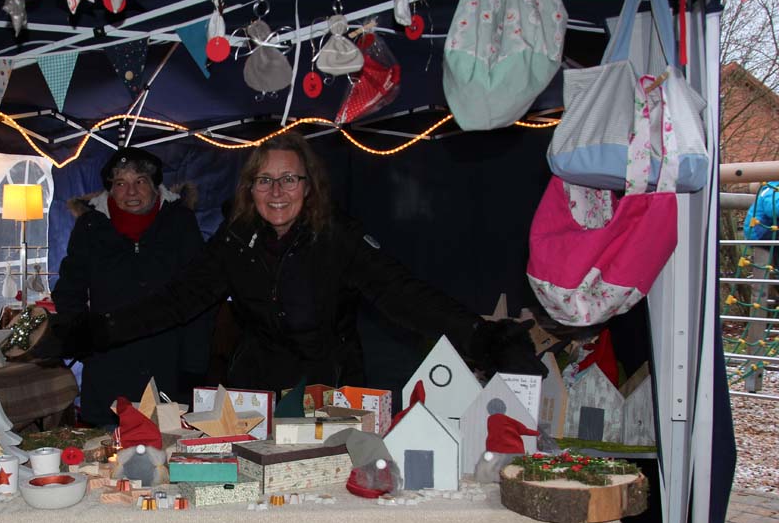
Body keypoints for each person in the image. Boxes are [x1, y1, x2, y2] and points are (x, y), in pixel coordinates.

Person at [49, 133, 542, 396]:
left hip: (332, 387)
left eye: (289, 179)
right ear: (250, 189)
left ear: (309, 186)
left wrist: (482, 337)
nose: (277, 191)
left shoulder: (339, 236)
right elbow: (177, 300)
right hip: (257, 390)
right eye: (264, 180)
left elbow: (404, 295)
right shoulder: (235, 240)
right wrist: (98, 330)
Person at [52, 147, 213, 425]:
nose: (131, 192)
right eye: (120, 183)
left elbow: (200, 294)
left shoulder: (180, 223)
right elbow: (69, 290)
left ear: (154, 185)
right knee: (106, 447)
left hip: (168, 366)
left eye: (140, 181)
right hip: (109, 368)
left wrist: (193, 365)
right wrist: (84, 338)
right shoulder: (91, 226)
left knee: (168, 444)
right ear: (110, 189)